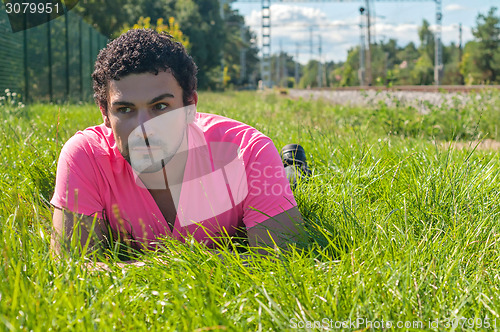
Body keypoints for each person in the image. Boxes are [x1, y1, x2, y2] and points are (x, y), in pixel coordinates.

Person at [50, 29, 306, 258]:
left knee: (289, 178)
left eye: (160, 107)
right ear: (105, 113)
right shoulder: (85, 156)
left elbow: (283, 262)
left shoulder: (249, 152)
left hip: (255, 164)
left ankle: (292, 166)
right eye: (125, 109)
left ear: (190, 106)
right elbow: (72, 271)